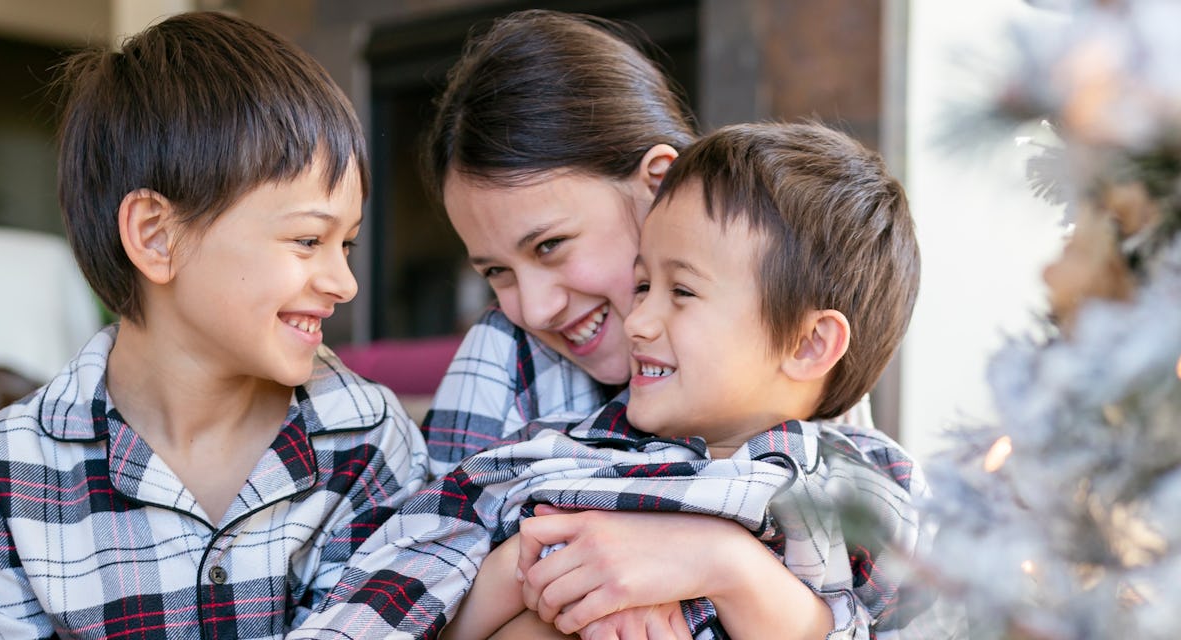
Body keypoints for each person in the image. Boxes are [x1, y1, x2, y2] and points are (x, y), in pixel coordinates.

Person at [295, 122, 923, 640]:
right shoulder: (551, 455)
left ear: (811, 344)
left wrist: (724, 570)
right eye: (643, 285)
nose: (640, 320)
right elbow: (404, 579)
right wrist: (542, 571)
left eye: (680, 291)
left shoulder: (868, 487)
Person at [416, 10, 923, 638]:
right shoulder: (502, 355)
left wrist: (717, 562)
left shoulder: (794, 364)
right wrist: (556, 573)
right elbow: (429, 574)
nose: (537, 306)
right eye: (497, 272)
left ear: (657, 183)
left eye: (550, 245)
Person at [0, 12, 428, 638]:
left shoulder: (366, 441)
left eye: (348, 244)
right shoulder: (0, 474)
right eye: (308, 239)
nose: (344, 283)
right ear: (156, 236)